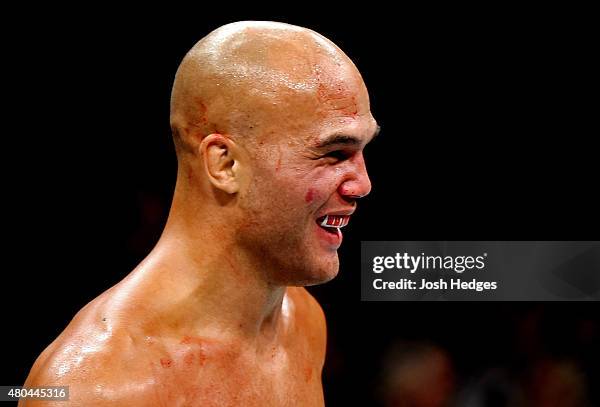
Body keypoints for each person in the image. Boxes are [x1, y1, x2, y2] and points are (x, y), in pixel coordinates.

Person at [20, 21, 379, 406]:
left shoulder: (302, 321)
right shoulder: (88, 390)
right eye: (334, 153)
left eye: (362, 150)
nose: (363, 184)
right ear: (224, 164)